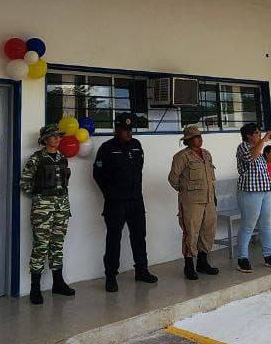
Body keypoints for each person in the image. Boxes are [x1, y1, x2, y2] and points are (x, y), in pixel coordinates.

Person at [92, 116, 157, 291]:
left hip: (136, 200)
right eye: (124, 130)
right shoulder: (107, 148)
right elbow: (98, 174)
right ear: (116, 130)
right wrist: (110, 193)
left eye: (130, 130)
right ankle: (111, 276)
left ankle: (141, 270)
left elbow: (139, 168)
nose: (128, 133)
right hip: (115, 203)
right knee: (114, 239)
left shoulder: (136, 145)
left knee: (139, 237)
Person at [20, 125, 74, 305]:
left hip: (62, 206)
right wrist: (40, 197)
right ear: (45, 139)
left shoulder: (62, 158)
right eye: (54, 136)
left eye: (59, 136)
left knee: (57, 244)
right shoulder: (36, 159)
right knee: (40, 246)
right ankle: (35, 288)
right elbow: (25, 183)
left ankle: (58, 283)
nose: (57, 139)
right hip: (43, 208)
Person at [167, 124, 219, 280]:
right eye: (196, 137)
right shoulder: (181, 157)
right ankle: (189, 266)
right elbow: (173, 179)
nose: (200, 139)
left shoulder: (207, 154)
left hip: (209, 199)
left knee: (208, 231)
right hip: (191, 202)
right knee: (191, 232)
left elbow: (211, 178)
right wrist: (187, 193)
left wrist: (213, 195)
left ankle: (202, 263)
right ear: (188, 140)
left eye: (200, 136)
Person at [235, 123, 271, 272]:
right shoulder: (243, 146)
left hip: (265, 191)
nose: (259, 135)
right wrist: (264, 139)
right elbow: (251, 157)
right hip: (250, 192)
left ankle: (269, 256)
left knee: (265, 225)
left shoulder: (260, 151)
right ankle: (242, 258)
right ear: (248, 135)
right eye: (256, 133)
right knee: (248, 226)